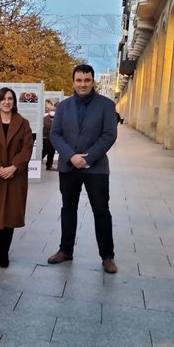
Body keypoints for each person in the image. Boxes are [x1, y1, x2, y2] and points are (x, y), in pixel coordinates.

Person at [48, 64, 119, 274]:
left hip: (96, 168)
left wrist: (88, 158)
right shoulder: (63, 106)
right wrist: (71, 156)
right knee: (68, 209)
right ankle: (65, 250)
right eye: (79, 80)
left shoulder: (106, 105)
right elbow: (55, 134)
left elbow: (109, 134)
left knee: (101, 211)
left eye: (87, 80)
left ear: (93, 81)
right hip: (68, 167)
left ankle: (107, 256)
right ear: (73, 81)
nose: (83, 84)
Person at [0, 87, 34, 268]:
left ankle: (3, 253)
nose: (7, 102)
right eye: (3, 99)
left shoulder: (23, 123)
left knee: (10, 215)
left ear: (14, 102)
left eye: (10, 98)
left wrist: (13, 167)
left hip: (15, 176)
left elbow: (27, 149)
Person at [42, 104, 56, 170]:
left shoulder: (57, 118)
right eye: (51, 110)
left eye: (54, 110)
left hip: (53, 139)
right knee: (44, 151)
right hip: (46, 138)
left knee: (52, 152)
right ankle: (38, 163)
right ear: (48, 111)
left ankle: (49, 166)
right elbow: (49, 127)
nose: (53, 111)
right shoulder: (45, 118)